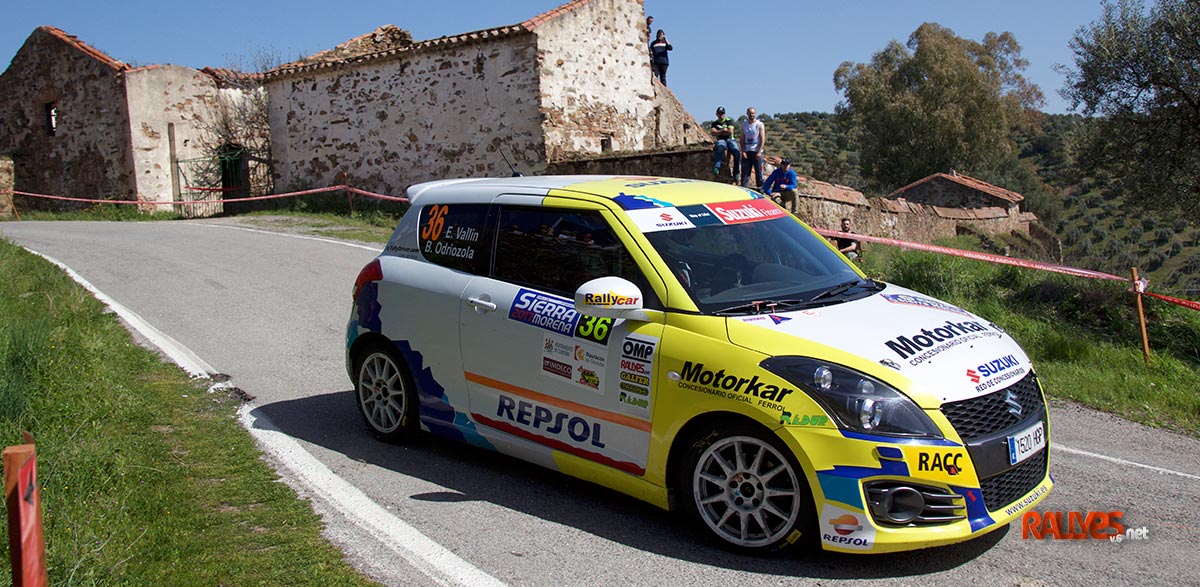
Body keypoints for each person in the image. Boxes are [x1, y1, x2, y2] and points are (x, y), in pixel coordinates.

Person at [739, 107, 766, 190]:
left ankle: (761, 190)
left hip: (756, 151)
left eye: (753, 113)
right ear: (747, 114)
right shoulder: (744, 124)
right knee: (745, 174)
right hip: (747, 151)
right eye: (750, 113)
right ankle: (744, 190)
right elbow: (742, 138)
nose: (752, 115)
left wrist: (759, 151)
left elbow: (762, 138)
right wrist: (743, 151)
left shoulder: (759, 124)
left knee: (759, 173)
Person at [710, 107, 740, 177]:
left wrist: (719, 132)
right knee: (720, 148)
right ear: (717, 114)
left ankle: (736, 172)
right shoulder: (714, 123)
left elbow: (730, 132)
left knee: (736, 152)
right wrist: (723, 131)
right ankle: (716, 167)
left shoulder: (729, 121)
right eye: (719, 113)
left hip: (730, 139)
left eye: (722, 113)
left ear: (725, 114)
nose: (721, 115)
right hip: (721, 140)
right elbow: (712, 133)